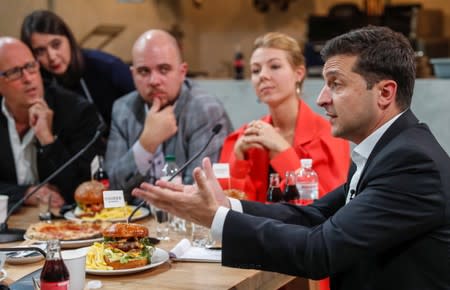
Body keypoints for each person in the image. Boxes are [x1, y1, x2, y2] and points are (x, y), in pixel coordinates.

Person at [132, 26, 450, 290]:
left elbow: (320, 249)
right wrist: (226, 206)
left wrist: (215, 219)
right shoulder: (383, 148)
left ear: (384, 93)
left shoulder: (410, 162)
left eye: (335, 84)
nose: (322, 99)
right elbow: (313, 216)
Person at [219, 32, 350, 202]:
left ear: (299, 73)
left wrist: (283, 151)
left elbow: (329, 207)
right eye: (255, 70)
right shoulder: (245, 138)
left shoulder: (329, 136)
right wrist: (238, 159)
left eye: (274, 66)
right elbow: (227, 208)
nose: (263, 76)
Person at [105, 29, 232, 201]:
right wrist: (145, 145)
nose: (154, 81)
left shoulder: (205, 110)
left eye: (164, 69)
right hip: (135, 221)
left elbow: (200, 192)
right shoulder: (123, 109)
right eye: (143, 71)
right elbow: (113, 191)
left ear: (182, 72)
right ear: (132, 74)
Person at [0, 37, 102, 209]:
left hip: (65, 226)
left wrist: (48, 140)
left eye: (31, 66)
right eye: (15, 72)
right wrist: (25, 193)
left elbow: (84, 190)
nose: (27, 78)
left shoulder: (77, 112)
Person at [20, 10, 135, 134]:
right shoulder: (39, 83)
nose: (52, 57)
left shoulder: (108, 66)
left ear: (69, 39)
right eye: (40, 51)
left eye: (56, 44)